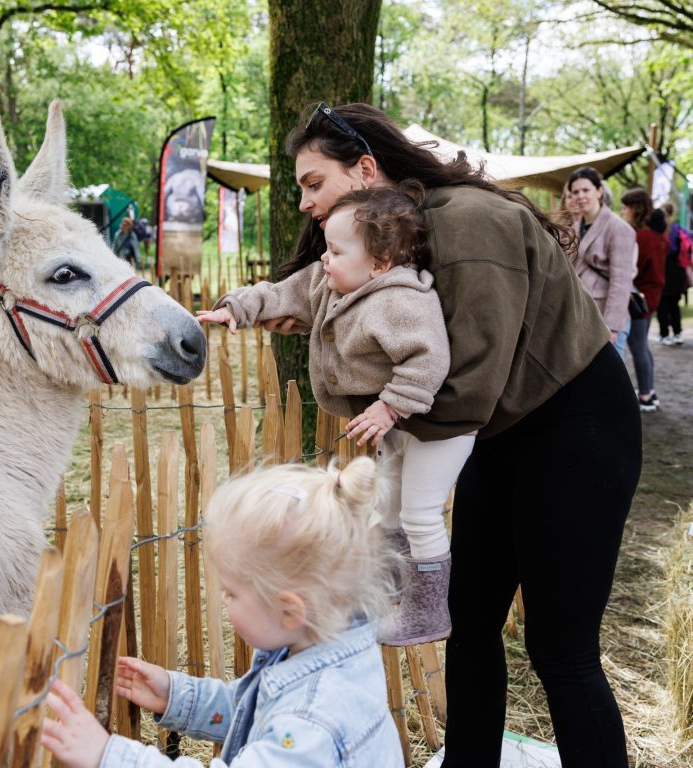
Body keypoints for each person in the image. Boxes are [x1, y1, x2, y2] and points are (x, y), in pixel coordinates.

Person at [250, 102, 640, 768]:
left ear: (365, 169)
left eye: (315, 183)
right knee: (471, 627)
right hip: (499, 435)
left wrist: (384, 412)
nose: (305, 203)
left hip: (577, 431)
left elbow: (468, 380)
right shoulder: (393, 241)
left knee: (560, 648)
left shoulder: (468, 222)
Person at [197, 182, 474, 646]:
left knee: (421, 513)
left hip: (438, 428)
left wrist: (390, 405)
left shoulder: (403, 300)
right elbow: (282, 293)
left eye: (337, 251)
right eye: (327, 249)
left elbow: (428, 361)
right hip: (403, 426)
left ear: (380, 263)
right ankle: (387, 586)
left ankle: (428, 611)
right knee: (387, 506)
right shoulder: (330, 283)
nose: (324, 260)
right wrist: (237, 309)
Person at [41, 458, 404, 768]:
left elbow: (284, 729)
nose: (222, 598)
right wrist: (177, 697)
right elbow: (255, 714)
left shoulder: (312, 723)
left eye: (232, 592)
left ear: (290, 610)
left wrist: (108, 754)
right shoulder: (326, 647)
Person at [568, 166, 637, 358]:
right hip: (581, 314)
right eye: (575, 192)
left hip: (606, 317)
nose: (580, 196)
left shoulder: (618, 228)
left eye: (585, 190)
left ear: (599, 191)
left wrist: (612, 326)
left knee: (611, 384)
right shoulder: (575, 227)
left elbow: (621, 281)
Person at [620, 189, 666, 411]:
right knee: (642, 346)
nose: (622, 211)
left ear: (635, 208)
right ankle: (650, 390)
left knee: (637, 345)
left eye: (625, 207)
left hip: (641, 298)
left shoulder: (643, 237)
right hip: (648, 296)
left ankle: (646, 396)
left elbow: (635, 270)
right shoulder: (652, 234)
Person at [657, 201, 692, 345]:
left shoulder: (659, 230)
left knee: (662, 304)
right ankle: (678, 333)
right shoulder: (679, 229)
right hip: (677, 271)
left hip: (662, 268)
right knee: (673, 304)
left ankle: (664, 335)